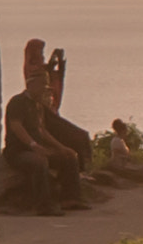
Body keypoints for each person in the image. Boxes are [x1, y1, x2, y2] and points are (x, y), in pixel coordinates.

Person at [4, 71, 83, 215]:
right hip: (18, 151)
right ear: (31, 84)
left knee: (69, 157)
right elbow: (16, 126)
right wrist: (34, 145)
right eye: (42, 84)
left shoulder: (38, 105)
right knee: (39, 162)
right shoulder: (17, 102)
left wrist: (62, 147)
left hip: (37, 148)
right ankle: (43, 206)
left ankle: (70, 199)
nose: (44, 88)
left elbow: (41, 130)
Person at [25, 39, 93, 173]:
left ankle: (83, 168)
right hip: (45, 113)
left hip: (50, 110)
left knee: (80, 136)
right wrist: (53, 63)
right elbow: (41, 73)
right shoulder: (32, 68)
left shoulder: (40, 67)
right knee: (77, 137)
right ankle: (80, 170)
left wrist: (57, 63)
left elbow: (51, 74)